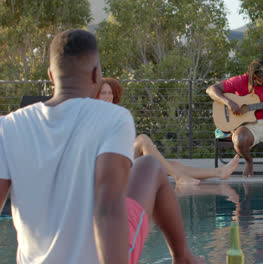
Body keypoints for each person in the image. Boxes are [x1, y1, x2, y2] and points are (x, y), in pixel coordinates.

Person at [0, 29, 204, 264]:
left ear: (51, 76)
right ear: (96, 75)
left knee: (147, 163)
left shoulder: (8, 126)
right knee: (150, 166)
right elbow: (108, 209)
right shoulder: (113, 118)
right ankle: (184, 258)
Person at [96, 77, 239, 185]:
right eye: (103, 93)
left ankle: (219, 172)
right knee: (143, 139)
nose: (108, 96)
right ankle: (179, 178)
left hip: (123, 158)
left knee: (172, 165)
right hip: (109, 166)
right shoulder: (95, 115)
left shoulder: (115, 114)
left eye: (110, 93)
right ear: (96, 95)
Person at [206, 59, 263, 179]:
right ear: (254, 79)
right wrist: (229, 103)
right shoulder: (241, 81)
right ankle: (249, 161)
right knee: (239, 139)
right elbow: (210, 89)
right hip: (247, 127)